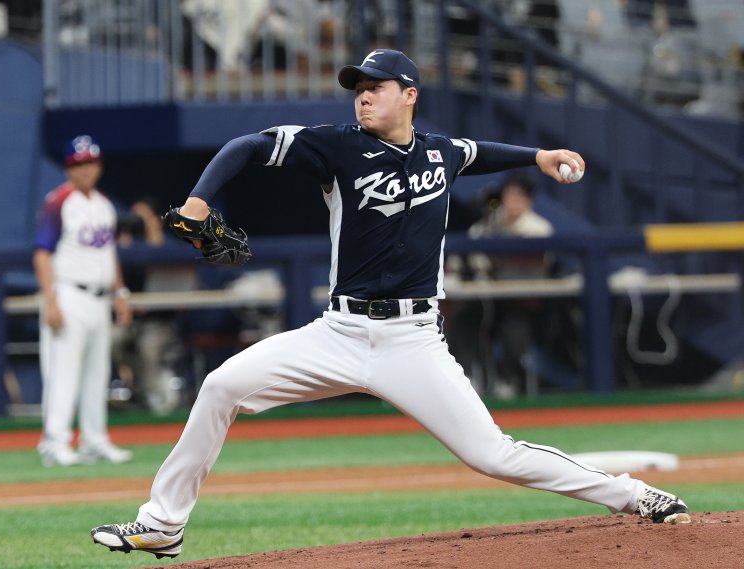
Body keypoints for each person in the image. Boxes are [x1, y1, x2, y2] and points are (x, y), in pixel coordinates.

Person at [90, 49, 690, 559]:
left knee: (494, 455)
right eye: (357, 89)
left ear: (409, 95)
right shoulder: (338, 149)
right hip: (339, 332)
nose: (362, 98)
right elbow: (248, 145)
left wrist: (537, 157)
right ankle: (164, 525)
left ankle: (633, 495)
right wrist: (197, 204)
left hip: (413, 341)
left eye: (375, 88)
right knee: (222, 387)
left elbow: (478, 151)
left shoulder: (440, 152)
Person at [33, 135, 134, 467]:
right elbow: (42, 254)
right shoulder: (58, 201)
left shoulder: (104, 204)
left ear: (99, 166)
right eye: (78, 163)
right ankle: (55, 441)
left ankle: (94, 440)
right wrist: (50, 300)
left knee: (96, 372)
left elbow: (109, 254)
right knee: (63, 371)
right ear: (68, 168)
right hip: (68, 292)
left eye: (90, 162)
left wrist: (120, 294)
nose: (85, 169)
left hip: (99, 296)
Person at [446, 172, 554, 397]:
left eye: (519, 197)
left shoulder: (538, 228)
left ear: (528, 200)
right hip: (488, 298)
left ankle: (509, 380)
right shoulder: (488, 223)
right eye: (510, 196)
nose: (513, 201)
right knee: (462, 319)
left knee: (514, 332)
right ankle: (469, 376)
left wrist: (495, 258)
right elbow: (468, 254)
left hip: (521, 302)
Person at [113, 198, 195, 415]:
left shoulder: (170, 249)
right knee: (112, 341)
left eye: (142, 218)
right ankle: (140, 392)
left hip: (160, 321)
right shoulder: (125, 250)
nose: (137, 223)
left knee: (148, 348)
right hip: (129, 319)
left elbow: (186, 287)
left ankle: (159, 400)